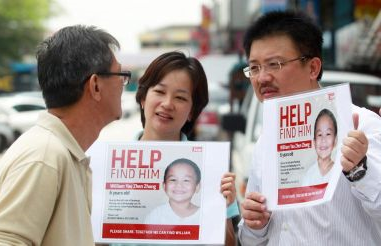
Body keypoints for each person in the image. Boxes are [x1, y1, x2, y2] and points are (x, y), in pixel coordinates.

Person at [238, 10, 381, 245]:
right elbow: (252, 240)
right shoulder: (266, 141)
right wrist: (256, 225)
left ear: (313, 67)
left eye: (274, 64)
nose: (262, 78)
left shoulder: (362, 125)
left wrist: (360, 171)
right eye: (254, 68)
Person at [0, 25, 128, 245]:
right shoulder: (45, 157)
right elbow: (1, 240)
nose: (123, 85)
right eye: (120, 75)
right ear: (95, 85)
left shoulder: (64, 153)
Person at [135, 51, 239, 245]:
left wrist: (222, 208)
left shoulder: (210, 166)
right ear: (142, 98)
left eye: (180, 98)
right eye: (159, 91)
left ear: (192, 112)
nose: (167, 104)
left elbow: (229, 243)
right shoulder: (111, 162)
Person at [145, 158, 201, 225]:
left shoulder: (203, 215)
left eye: (186, 180)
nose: (179, 185)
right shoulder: (155, 216)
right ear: (164, 186)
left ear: (197, 187)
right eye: (173, 180)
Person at [302, 108, 338, 186]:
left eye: (328, 134)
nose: (323, 140)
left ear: (335, 140)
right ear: (314, 142)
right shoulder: (308, 175)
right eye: (319, 134)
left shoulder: (339, 172)